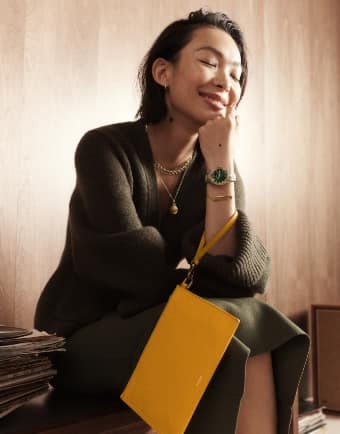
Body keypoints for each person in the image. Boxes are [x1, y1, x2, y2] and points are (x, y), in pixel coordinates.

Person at [34, 8, 310, 434]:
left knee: (253, 321)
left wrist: (221, 164)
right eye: (209, 61)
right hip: (80, 336)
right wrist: (201, 280)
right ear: (163, 71)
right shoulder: (104, 148)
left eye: (237, 75)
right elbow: (131, 268)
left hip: (164, 326)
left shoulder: (216, 169)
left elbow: (239, 276)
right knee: (221, 332)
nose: (226, 81)